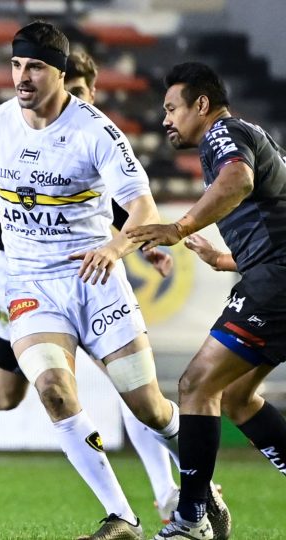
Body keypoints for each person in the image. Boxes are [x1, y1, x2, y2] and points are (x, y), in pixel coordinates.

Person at [0, 21, 226, 540]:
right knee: (52, 390)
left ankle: (200, 489)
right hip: (30, 283)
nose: (22, 77)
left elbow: (140, 204)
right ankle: (123, 517)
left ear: (58, 73)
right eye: (16, 65)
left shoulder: (96, 131)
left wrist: (120, 246)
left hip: (95, 282)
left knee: (150, 408)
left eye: (34, 68)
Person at [127, 62, 286, 540]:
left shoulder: (223, 133)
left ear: (201, 104)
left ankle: (190, 520)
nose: (166, 119)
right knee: (237, 397)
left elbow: (237, 182)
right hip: (273, 276)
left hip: (275, 283)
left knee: (197, 384)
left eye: (172, 108)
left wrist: (178, 228)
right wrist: (225, 258)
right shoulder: (250, 135)